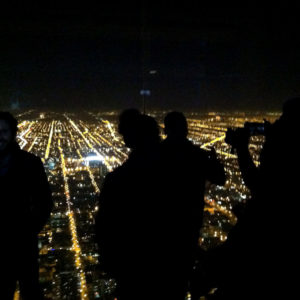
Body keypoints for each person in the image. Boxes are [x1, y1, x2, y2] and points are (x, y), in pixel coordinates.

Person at [215, 98, 300, 299]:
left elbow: (261, 187)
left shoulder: (282, 148)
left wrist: (242, 149)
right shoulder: (283, 141)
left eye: (284, 119)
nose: (277, 124)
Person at [95, 109, 163, 300]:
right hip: (167, 262)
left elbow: (105, 225)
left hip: (130, 265)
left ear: (128, 139)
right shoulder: (174, 175)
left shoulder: (117, 179)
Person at [160, 111, 226, 299]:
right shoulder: (196, 155)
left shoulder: (156, 154)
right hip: (189, 224)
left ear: (166, 130)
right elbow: (220, 179)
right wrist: (214, 162)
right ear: (186, 130)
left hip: (160, 228)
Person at [0, 112, 53, 300]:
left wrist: (29, 229)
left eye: (4, 131)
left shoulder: (30, 163)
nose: (0, 136)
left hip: (22, 245)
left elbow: (46, 201)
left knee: (29, 291)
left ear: (14, 133)